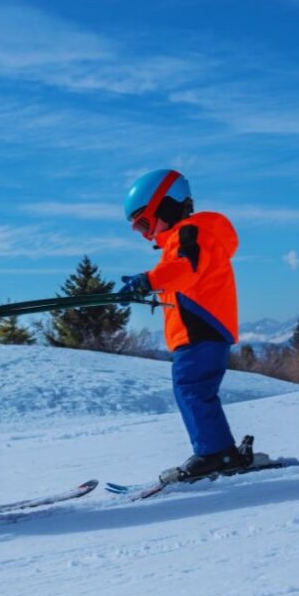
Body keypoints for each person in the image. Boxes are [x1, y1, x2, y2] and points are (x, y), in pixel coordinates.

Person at [119, 169, 272, 480]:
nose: (146, 234)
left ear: (166, 205)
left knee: (191, 388)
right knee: (193, 389)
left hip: (202, 328)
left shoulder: (191, 232)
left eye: (145, 224)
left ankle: (215, 453)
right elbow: (183, 275)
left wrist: (148, 280)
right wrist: (149, 286)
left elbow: (186, 269)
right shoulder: (186, 237)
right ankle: (219, 451)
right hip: (201, 330)